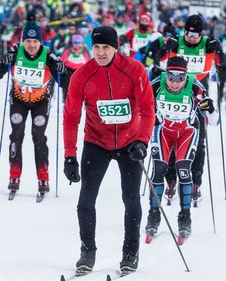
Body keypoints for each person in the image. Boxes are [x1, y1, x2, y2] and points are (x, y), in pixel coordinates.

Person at [62, 26, 155, 275]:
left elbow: (147, 109)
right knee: (85, 200)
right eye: (97, 47)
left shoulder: (134, 70)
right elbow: (71, 117)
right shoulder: (82, 75)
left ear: (115, 48)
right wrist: (69, 154)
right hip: (96, 142)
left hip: (130, 143)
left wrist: (143, 141)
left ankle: (130, 252)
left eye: (106, 48)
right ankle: (87, 251)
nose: (101, 53)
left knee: (131, 199)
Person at [145, 56, 219, 243]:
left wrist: (210, 110)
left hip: (187, 132)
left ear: (186, 76)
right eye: (171, 77)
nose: (175, 83)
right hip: (163, 131)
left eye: (180, 78)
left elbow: (215, 121)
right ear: (166, 74)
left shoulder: (196, 88)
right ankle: (153, 215)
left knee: (184, 171)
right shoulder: (156, 85)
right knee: (158, 170)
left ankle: (185, 218)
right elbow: (140, 106)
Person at [0, 23, 69, 197]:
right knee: (16, 136)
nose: (32, 45)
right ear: (23, 41)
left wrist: (63, 72)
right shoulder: (15, 52)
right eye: (28, 41)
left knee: (39, 138)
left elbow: (65, 84)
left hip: (40, 101)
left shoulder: (48, 56)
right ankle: (14, 176)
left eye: (35, 41)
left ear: (40, 42)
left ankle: (43, 178)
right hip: (19, 100)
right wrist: (4, 63)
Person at [156, 14, 225, 201]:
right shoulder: (176, 42)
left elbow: (221, 65)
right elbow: (157, 59)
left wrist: (219, 51)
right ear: (184, 32)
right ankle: (171, 179)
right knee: (170, 135)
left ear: (201, 34)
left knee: (198, 138)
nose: (192, 39)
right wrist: (165, 47)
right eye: (188, 35)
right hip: (175, 92)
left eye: (196, 36)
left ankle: (195, 182)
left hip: (198, 92)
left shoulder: (207, 44)